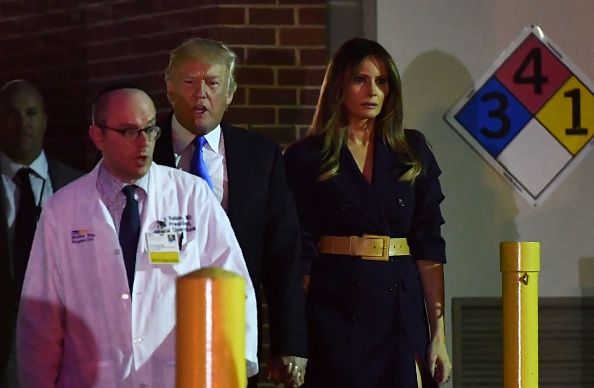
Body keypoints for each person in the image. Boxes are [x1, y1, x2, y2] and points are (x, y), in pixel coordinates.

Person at [17, 86, 258, 387]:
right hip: (94, 377)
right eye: (129, 131)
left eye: (150, 130)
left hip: (176, 377)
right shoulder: (63, 210)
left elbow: (233, 287)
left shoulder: (192, 196)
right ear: (98, 136)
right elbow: (40, 318)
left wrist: (230, 372)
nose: (144, 142)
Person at [283, 37, 453, 387]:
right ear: (339, 85)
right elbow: (298, 254)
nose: (372, 90)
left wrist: (439, 335)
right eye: (361, 79)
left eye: (382, 81)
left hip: (399, 310)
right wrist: (293, 341)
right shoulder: (306, 156)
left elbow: (429, 247)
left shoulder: (412, 150)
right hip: (335, 310)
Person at [153, 38, 308, 387]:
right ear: (169, 89)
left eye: (212, 83)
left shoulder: (260, 157)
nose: (201, 94)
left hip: (232, 330)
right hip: (156, 334)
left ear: (231, 92)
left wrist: (290, 343)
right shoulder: (144, 152)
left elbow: (283, 257)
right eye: (189, 82)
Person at [0, 79, 83, 387]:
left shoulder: (80, 186)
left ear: (45, 120)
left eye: (31, 113)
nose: (23, 123)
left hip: (64, 342)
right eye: (11, 114)